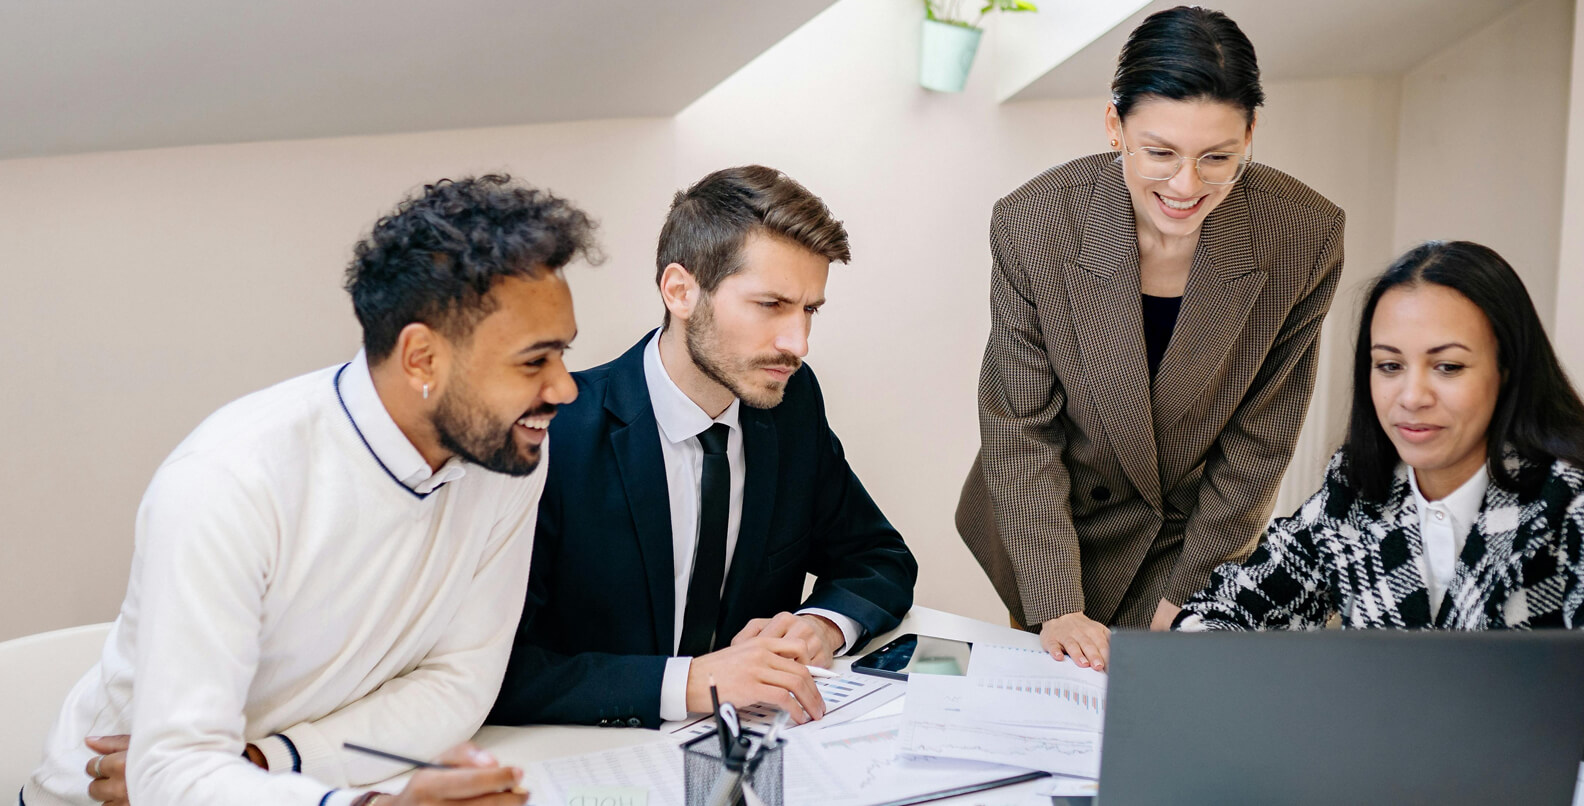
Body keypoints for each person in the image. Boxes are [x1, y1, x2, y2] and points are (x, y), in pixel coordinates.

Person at [24, 175, 598, 806]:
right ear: (422, 359)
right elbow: (171, 771)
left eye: (563, 354)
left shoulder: (506, 454)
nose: (565, 389)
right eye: (534, 361)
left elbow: (459, 683)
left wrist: (266, 762)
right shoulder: (229, 480)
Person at [1174, 241, 1584, 784]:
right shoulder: (1356, 489)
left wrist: (1526, 713)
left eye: (1447, 366)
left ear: (1506, 370)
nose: (1412, 395)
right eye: (1389, 366)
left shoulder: (1572, 490)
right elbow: (1231, 608)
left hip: (1573, 783)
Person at [956, 6, 1346, 670]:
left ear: (1252, 133)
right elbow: (1021, 430)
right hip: (1054, 529)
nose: (1186, 186)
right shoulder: (1034, 225)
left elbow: (1261, 442)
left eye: (1217, 157)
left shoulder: (1304, 236)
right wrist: (1057, 603)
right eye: (1160, 153)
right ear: (1115, 125)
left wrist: (1189, 598)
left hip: (1187, 538)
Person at [487, 166, 917, 730]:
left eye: (809, 309)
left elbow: (877, 559)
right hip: (592, 755)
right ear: (680, 291)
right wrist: (689, 683)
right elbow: (497, 670)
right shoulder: (553, 433)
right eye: (770, 305)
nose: (799, 343)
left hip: (759, 746)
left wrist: (821, 625)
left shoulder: (791, 402)